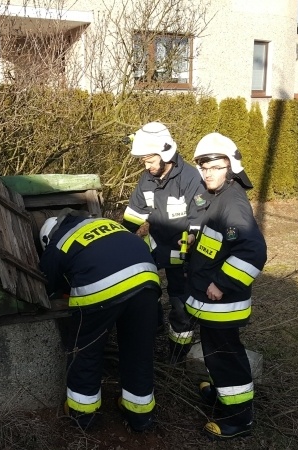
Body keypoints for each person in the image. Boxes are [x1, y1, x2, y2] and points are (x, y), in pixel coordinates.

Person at [176, 132, 268, 439]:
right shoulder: (214, 196)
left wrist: (222, 283)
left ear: (231, 167)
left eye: (215, 166)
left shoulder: (233, 203)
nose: (207, 172)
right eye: (203, 166)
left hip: (222, 303)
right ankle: (222, 393)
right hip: (210, 300)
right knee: (216, 354)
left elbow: (253, 251)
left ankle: (239, 419)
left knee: (227, 357)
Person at [38, 208, 161, 432]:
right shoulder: (104, 223)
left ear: (48, 237)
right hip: (147, 281)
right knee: (139, 351)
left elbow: (47, 282)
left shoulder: (59, 241)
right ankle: (140, 417)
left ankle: (82, 416)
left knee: (86, 350)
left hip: (101, 289)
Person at [121, 121, 205, 359]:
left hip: (184, 251)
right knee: (143, 287)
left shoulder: (190, 178)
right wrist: (120, 239)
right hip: (157, 245)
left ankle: (177, 355)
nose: (145, 166)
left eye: (149, 160)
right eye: (143, 161)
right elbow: (134, 214)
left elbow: (200, 216)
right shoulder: (147, 179)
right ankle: (153, 326)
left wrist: (192, 237)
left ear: (165, 154)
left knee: (180, 304)